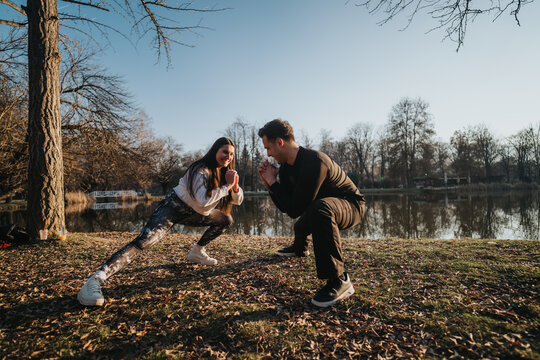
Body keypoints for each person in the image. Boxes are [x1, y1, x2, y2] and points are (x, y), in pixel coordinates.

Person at [78, 137, 243, 306]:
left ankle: (197, 253)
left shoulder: (225, 174)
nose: (228, 157)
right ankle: (96, 279)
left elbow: (237, 201)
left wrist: (235, 187)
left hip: (195, 213)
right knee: (145, 241)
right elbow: (202, 200)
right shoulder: (199, 169)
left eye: (231, 154)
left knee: (225, 219)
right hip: (172, 207)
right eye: (225, 152)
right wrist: (228, 186)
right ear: (215, 150)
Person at [257, 119, 366, 308]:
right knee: (302, 224)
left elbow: (295, 209)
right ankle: (300, 249)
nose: (268, 154)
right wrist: (270, 183)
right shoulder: (286, 170)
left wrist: (273, 183)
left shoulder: (314, 161)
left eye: (269, 148)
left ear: (280, 142)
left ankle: (339, 280)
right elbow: (287, 206)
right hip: (323, 207)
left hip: (352, 205)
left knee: (319, 210)